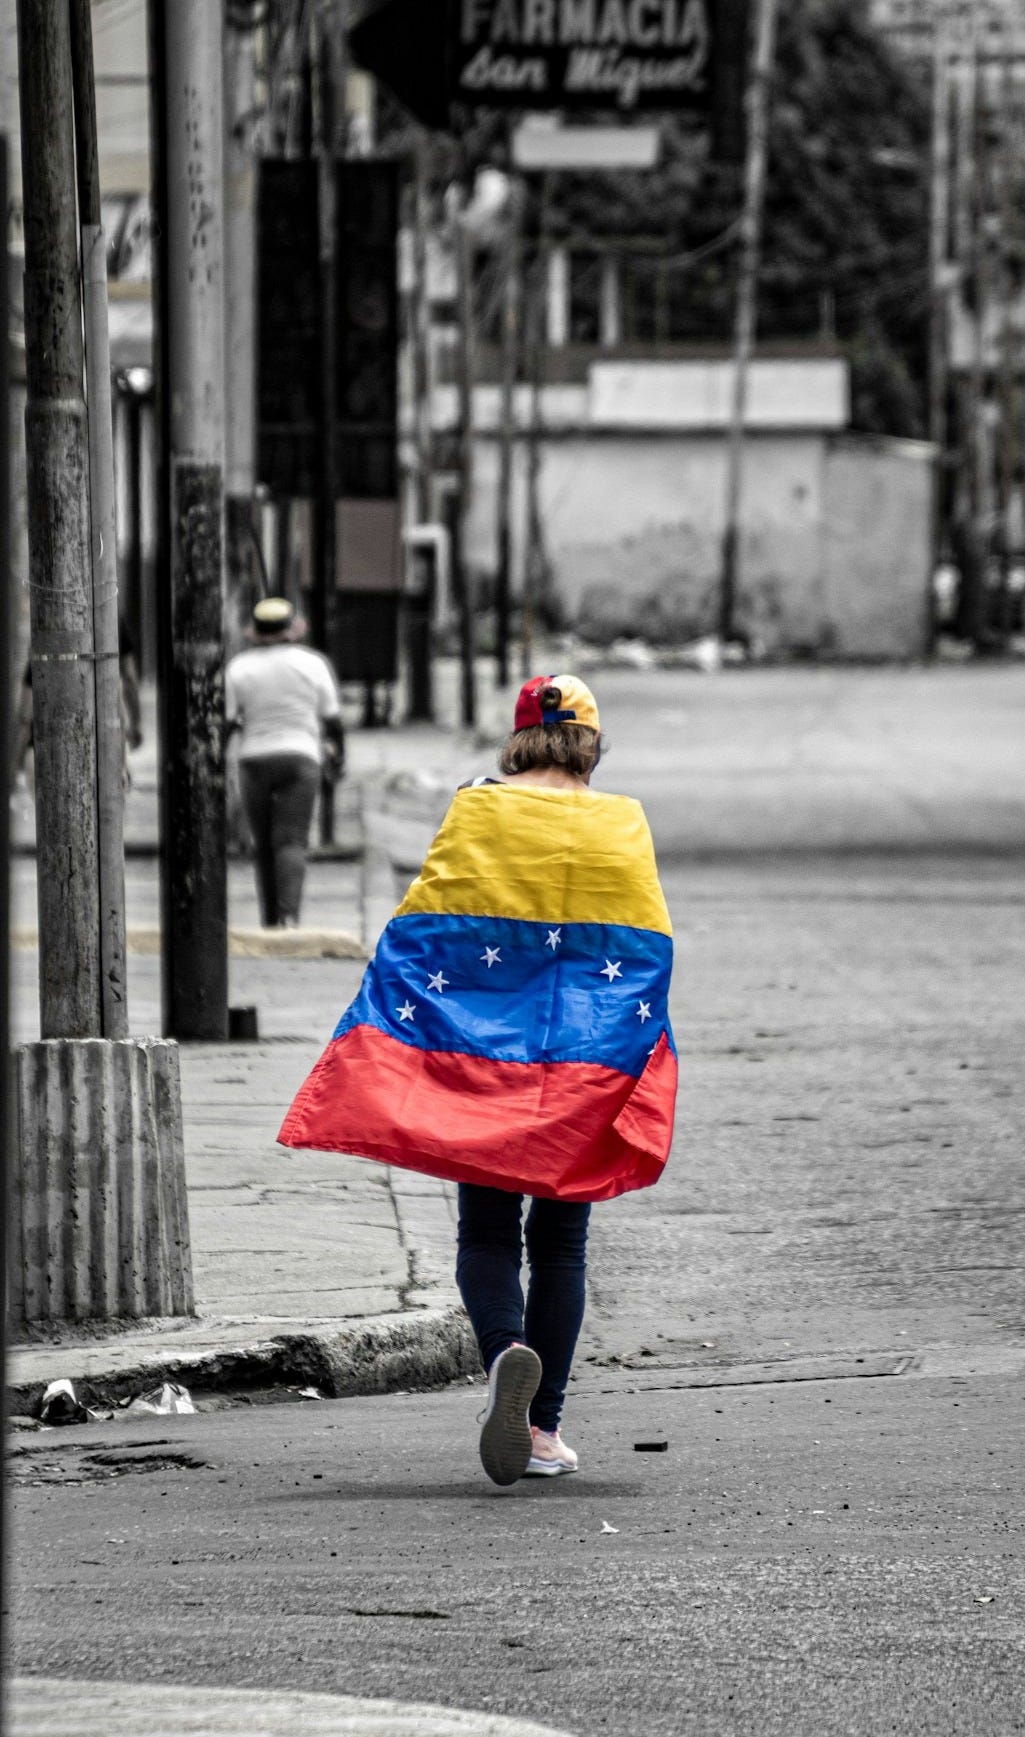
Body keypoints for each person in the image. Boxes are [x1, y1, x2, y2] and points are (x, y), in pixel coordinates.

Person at [279, 674, 676, 1486]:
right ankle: (542, 1428)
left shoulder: (475, 807)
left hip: (479, 1061)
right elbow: (646, 953)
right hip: (583, 1065)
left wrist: (387, 1016)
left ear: (518, 735)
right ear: (592, 745)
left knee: (486, 1234)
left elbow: (423, 932)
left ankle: (504, 1351)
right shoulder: (622, 822)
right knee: (562, 1242)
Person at [225, 597, 345, 928]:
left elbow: (228, 720)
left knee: (263, 844)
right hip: (301, 758)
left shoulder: (239, 667)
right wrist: (339, 758)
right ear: (292, 629)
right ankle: (289, 917)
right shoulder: (313, 664)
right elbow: (332, 721)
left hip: (254, 761)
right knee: (291, 840)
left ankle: (268, 920)